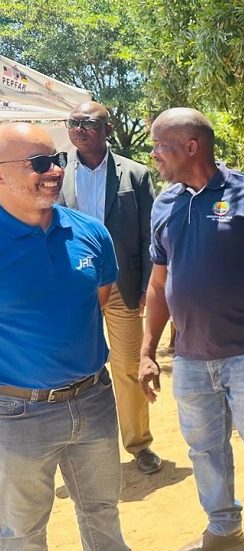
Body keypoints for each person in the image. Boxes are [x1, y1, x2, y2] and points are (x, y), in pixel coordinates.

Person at [138, 108, 244, 551]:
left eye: (160, 145)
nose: (153, 155)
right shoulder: (164, 203)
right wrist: (147, 351)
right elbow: (159, 282)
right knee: (204, 449)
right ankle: (223, 530)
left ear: (191, 146)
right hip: (189, 357)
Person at [0, 123, 129, 550]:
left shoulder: (91, 233)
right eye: (39, 163)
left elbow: (96, 302)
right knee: (22, 532)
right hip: (16, 414)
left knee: (103, 513)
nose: (55, 171)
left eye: (57, 160)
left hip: (93, 400)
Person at [58, 101, 162, 475]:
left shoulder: (134, 174)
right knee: (73, 367)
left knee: (128, 365)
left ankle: (139, 444)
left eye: (88, 122)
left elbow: (151, 235)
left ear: (108, 128)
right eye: (73, 122)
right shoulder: (55, 172)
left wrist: (148, 285)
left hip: (122, 283)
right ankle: (79, 446)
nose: (79, 129)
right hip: (73, 285)